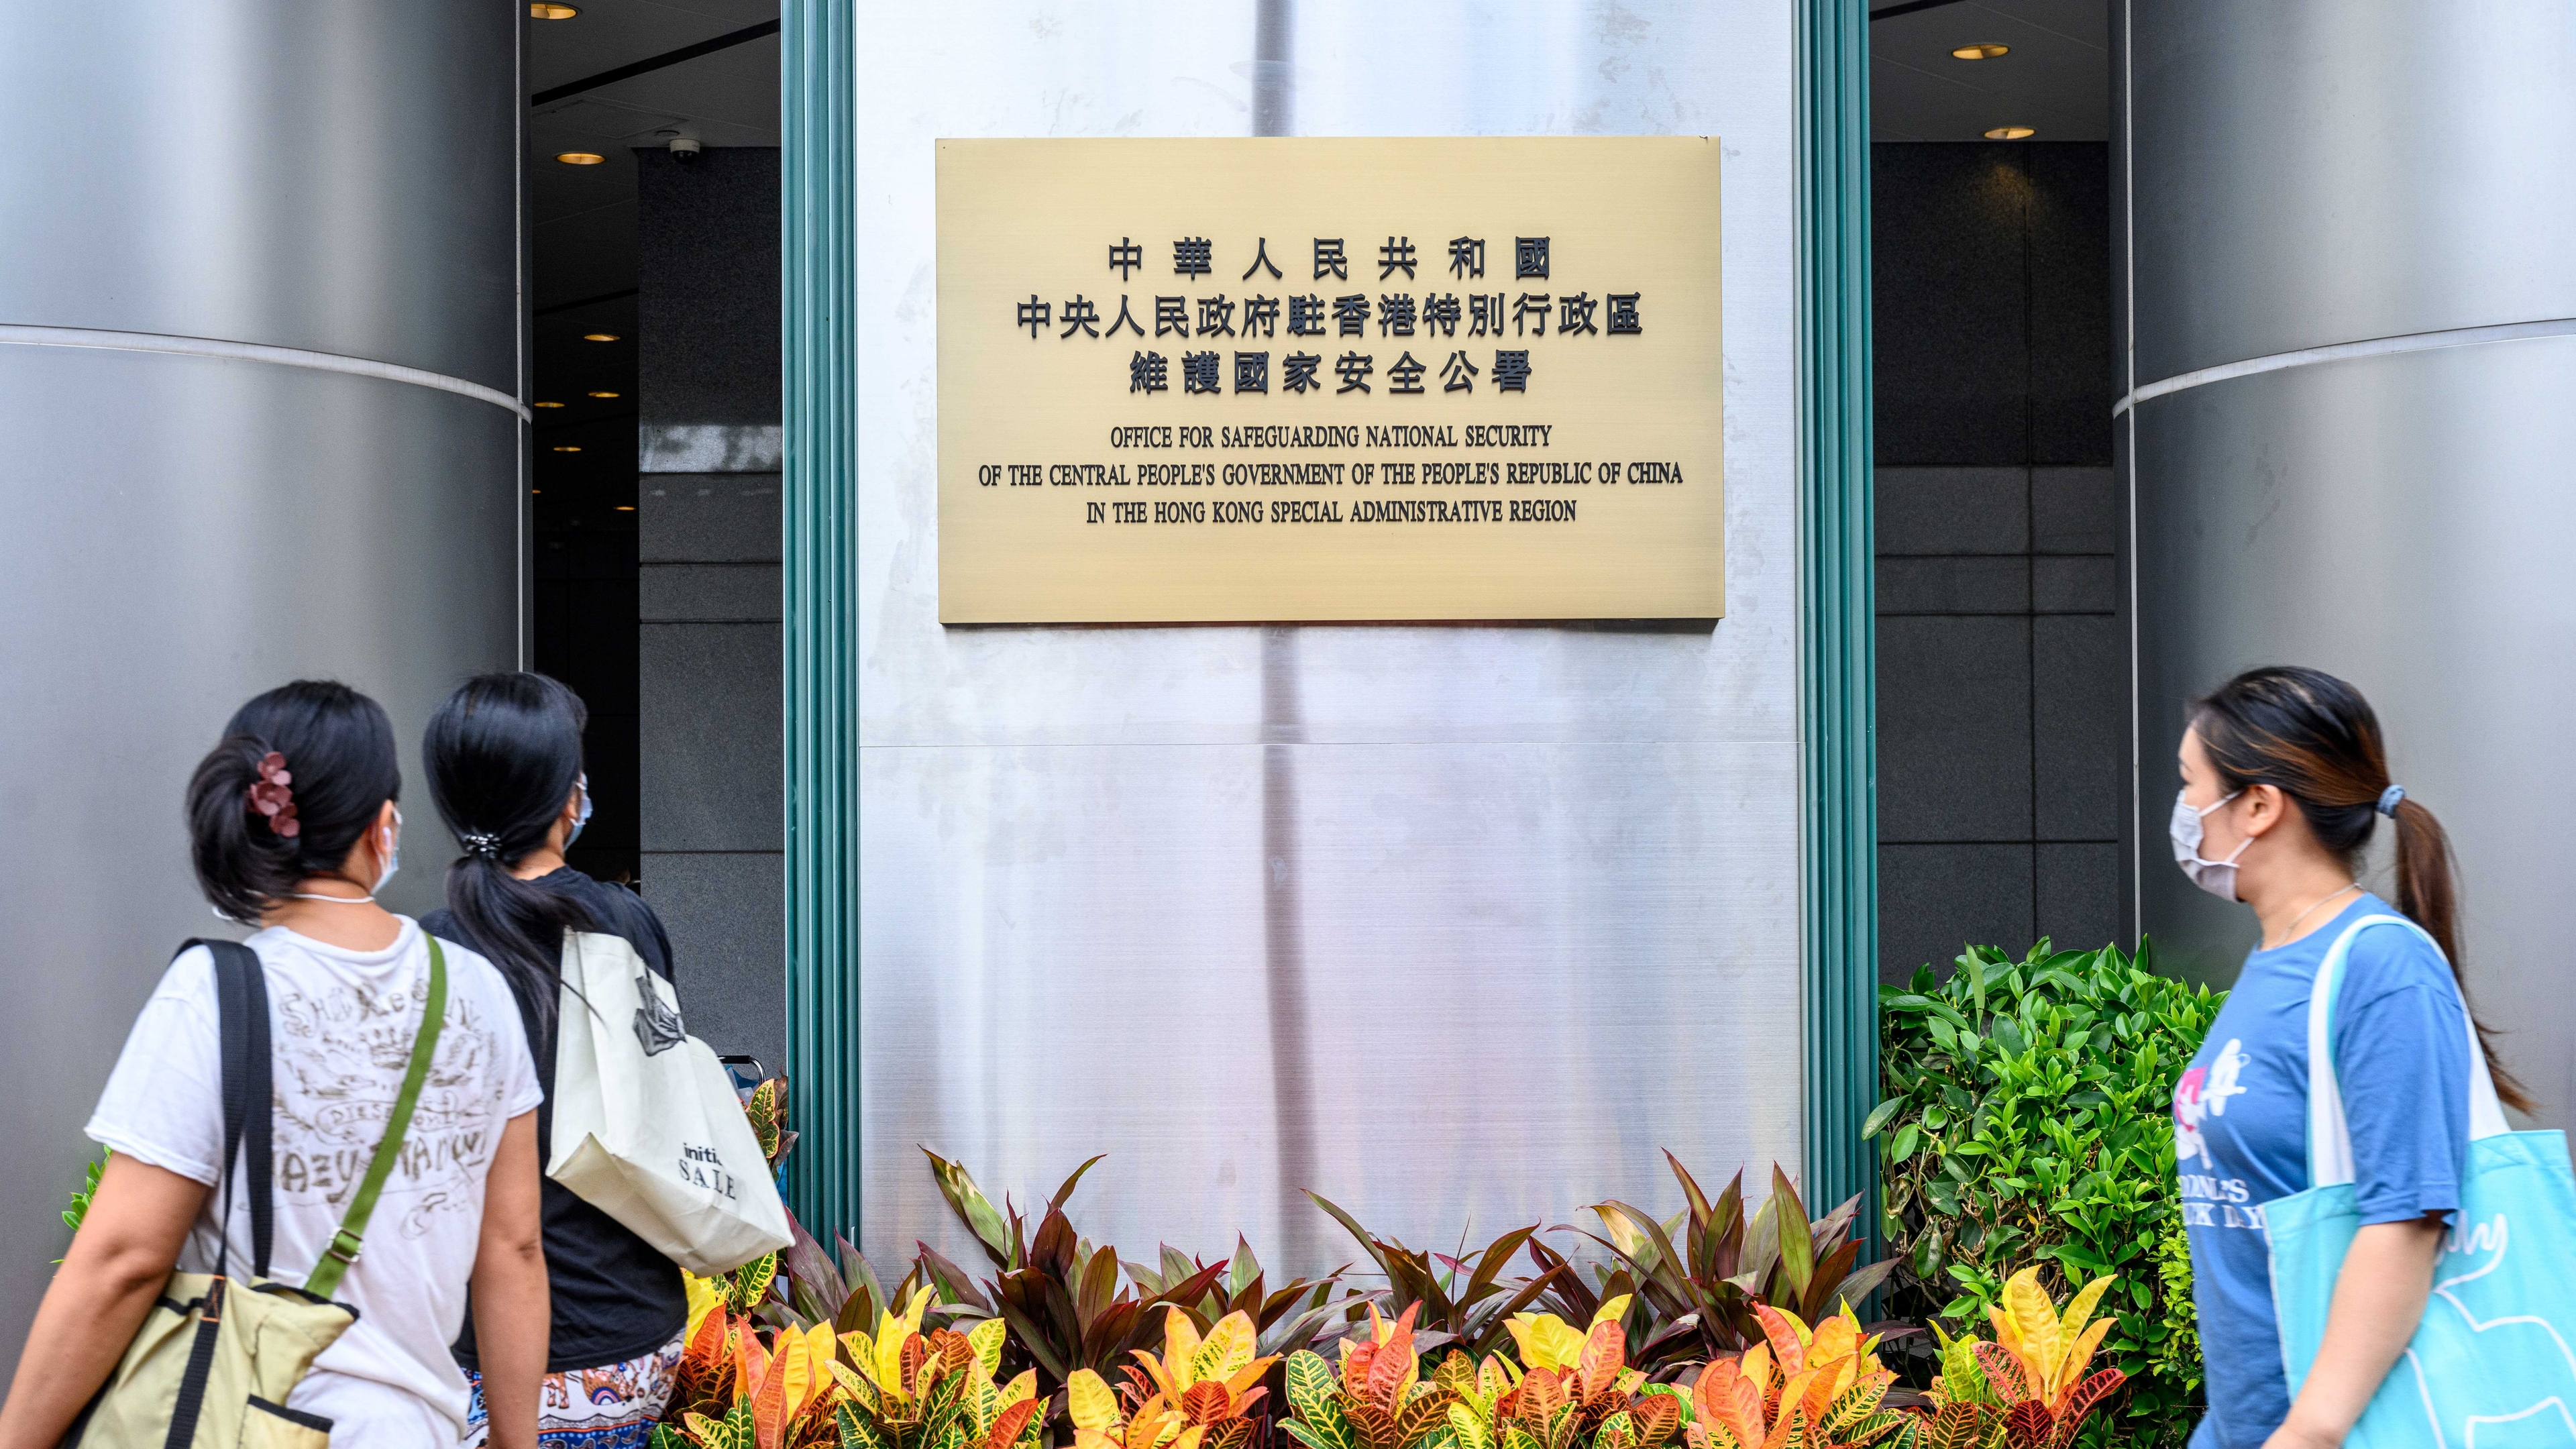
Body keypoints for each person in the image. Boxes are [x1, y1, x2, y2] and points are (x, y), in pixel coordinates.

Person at [0, 680, 548, 1448]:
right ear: (382, 826)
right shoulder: (480, 993)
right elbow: (513, 1248)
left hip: (245, 1420)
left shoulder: (216, 994)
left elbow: (123, 1258)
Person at [2167, 666, 2530, 1449]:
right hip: (2244, 1426)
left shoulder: (2379, 966)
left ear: (2259, 805)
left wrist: (2306, 1435)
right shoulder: (2275, 961)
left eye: (2192, 785)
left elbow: (2408, 1217)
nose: (2186, 811)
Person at [419, 672, 689, 1448]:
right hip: (628, 1336)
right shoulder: (624, 924)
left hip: (477, 1353)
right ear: (568, 797)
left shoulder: (430, 955)